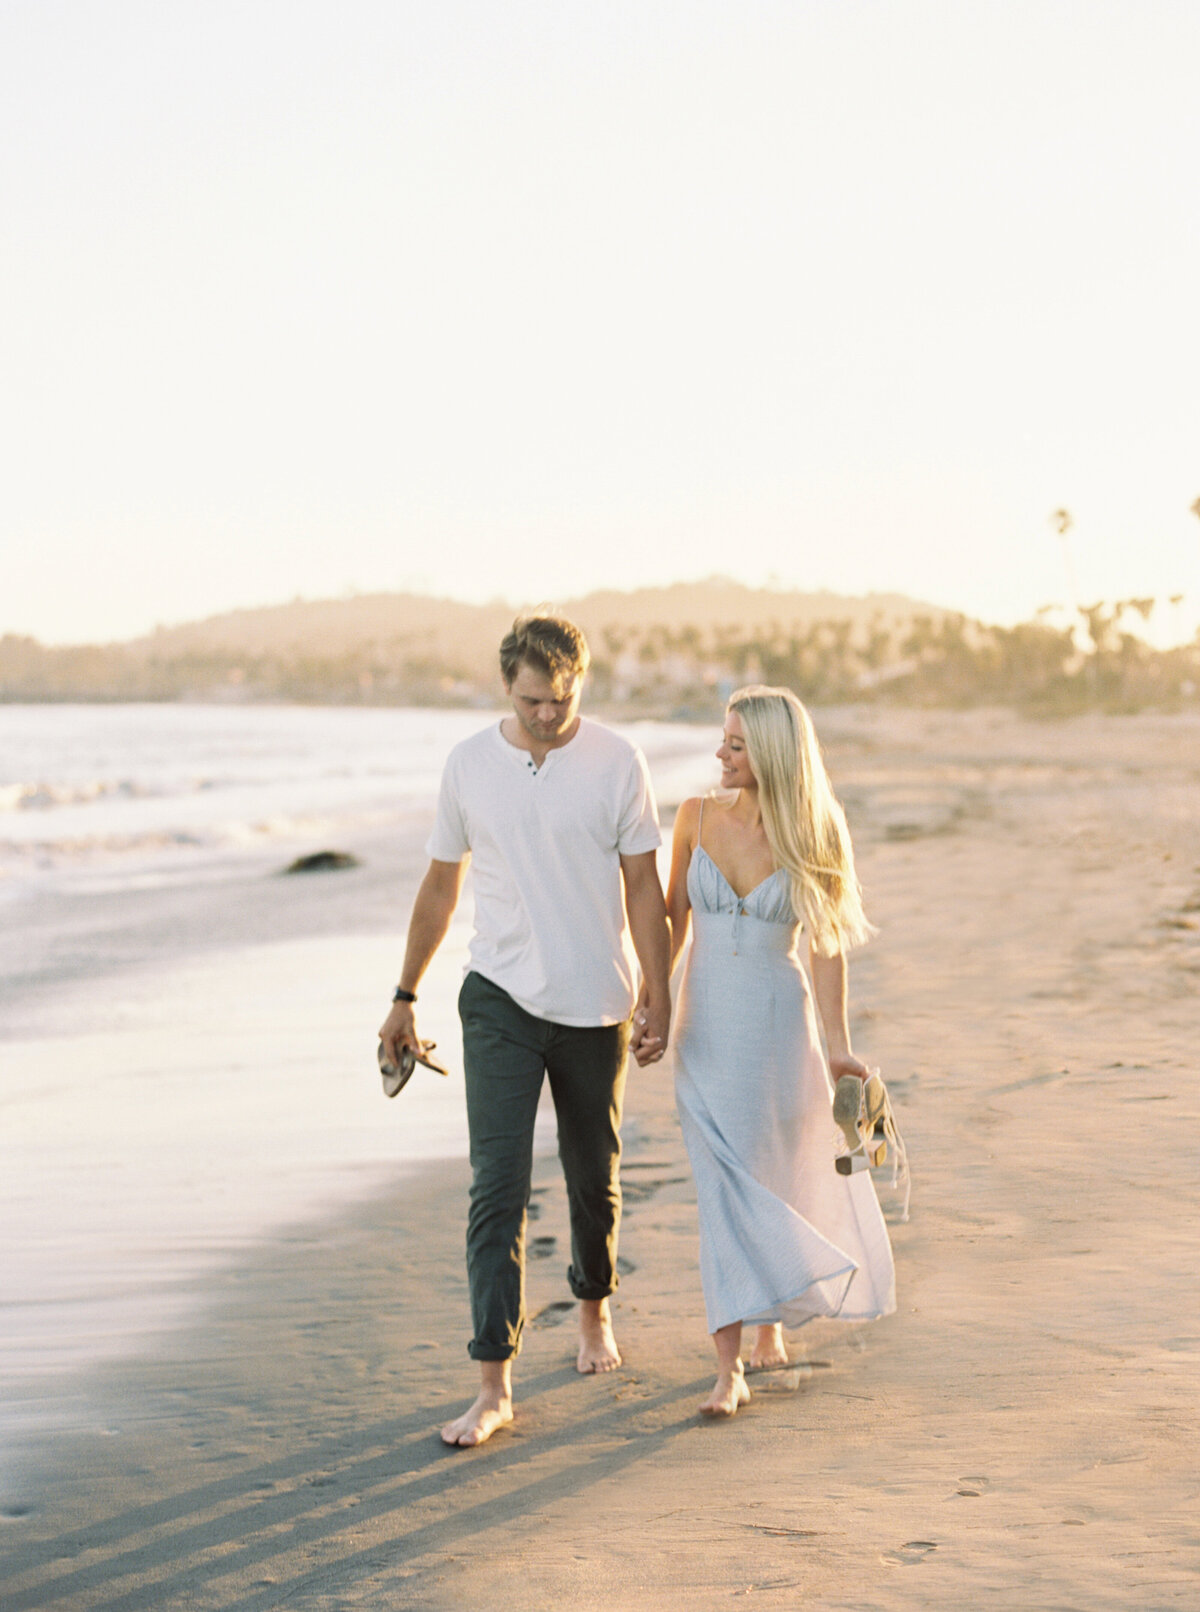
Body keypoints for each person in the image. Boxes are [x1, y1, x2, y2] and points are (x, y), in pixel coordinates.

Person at [379, 613, 671, 1448]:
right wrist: (404, 994)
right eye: (533, 700)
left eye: (561, 699)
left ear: (580, 681)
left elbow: (644, 886)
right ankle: (493, 1384)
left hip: (595, 1005)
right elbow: (441, 885)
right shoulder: (470, 765)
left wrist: (659, 988)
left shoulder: (618, 762)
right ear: (508, 686)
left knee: (592, 1178)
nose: (548, 715)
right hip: (499, 998)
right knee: (496, 1191)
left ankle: (592, 1313)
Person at [643, 684, 895, 1417]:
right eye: (721, 740)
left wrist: (839, 1047)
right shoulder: (694, 817)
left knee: (773, 1175)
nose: (719, 754)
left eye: (736, 745)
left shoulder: (817, 833)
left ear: (773, 754)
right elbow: (672, 924)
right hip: (706, 1028)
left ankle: (769, 1323)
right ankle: (731, 1367)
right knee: (723, 1187)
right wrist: (653, 1003)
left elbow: (826, 950)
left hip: (780, 1031)